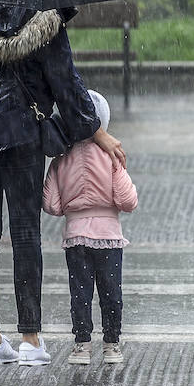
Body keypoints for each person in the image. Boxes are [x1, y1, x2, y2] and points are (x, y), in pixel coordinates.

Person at [0, 2, 127, 367]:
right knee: (24, 232)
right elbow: (65, 82)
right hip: (19, 131)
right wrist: (98, 133)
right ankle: (30, 341)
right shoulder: (44, 14)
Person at [42, 90, 138, 365]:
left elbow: (51, 204)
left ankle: (82, 346)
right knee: (111, 293)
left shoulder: (62, 158)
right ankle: (111, 344)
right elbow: (128, 200)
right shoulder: (110, 157)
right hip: (108, 237)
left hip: (75, 238)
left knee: (80, 294)